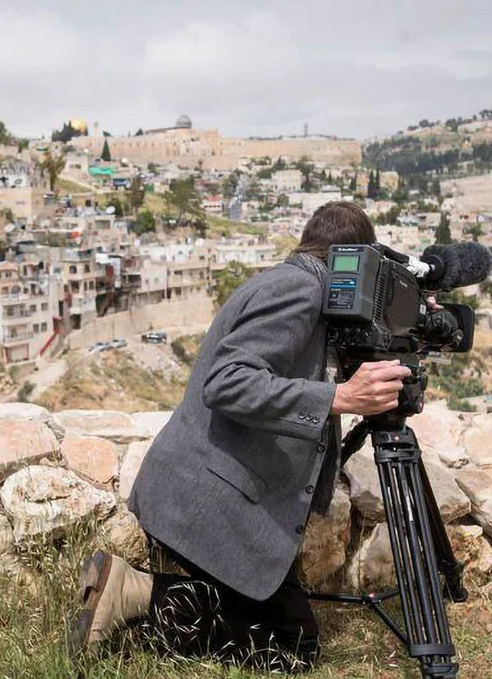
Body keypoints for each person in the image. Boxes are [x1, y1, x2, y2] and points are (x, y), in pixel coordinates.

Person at [69, 201, 411, 672]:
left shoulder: (288, 281)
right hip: (211, 500)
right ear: (353, 260)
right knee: (293, 646)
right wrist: (340, 397)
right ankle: (136, 594)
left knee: (275, 621)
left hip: (214, 491)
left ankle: (129, 603)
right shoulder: (300, 290)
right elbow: (228, 381)